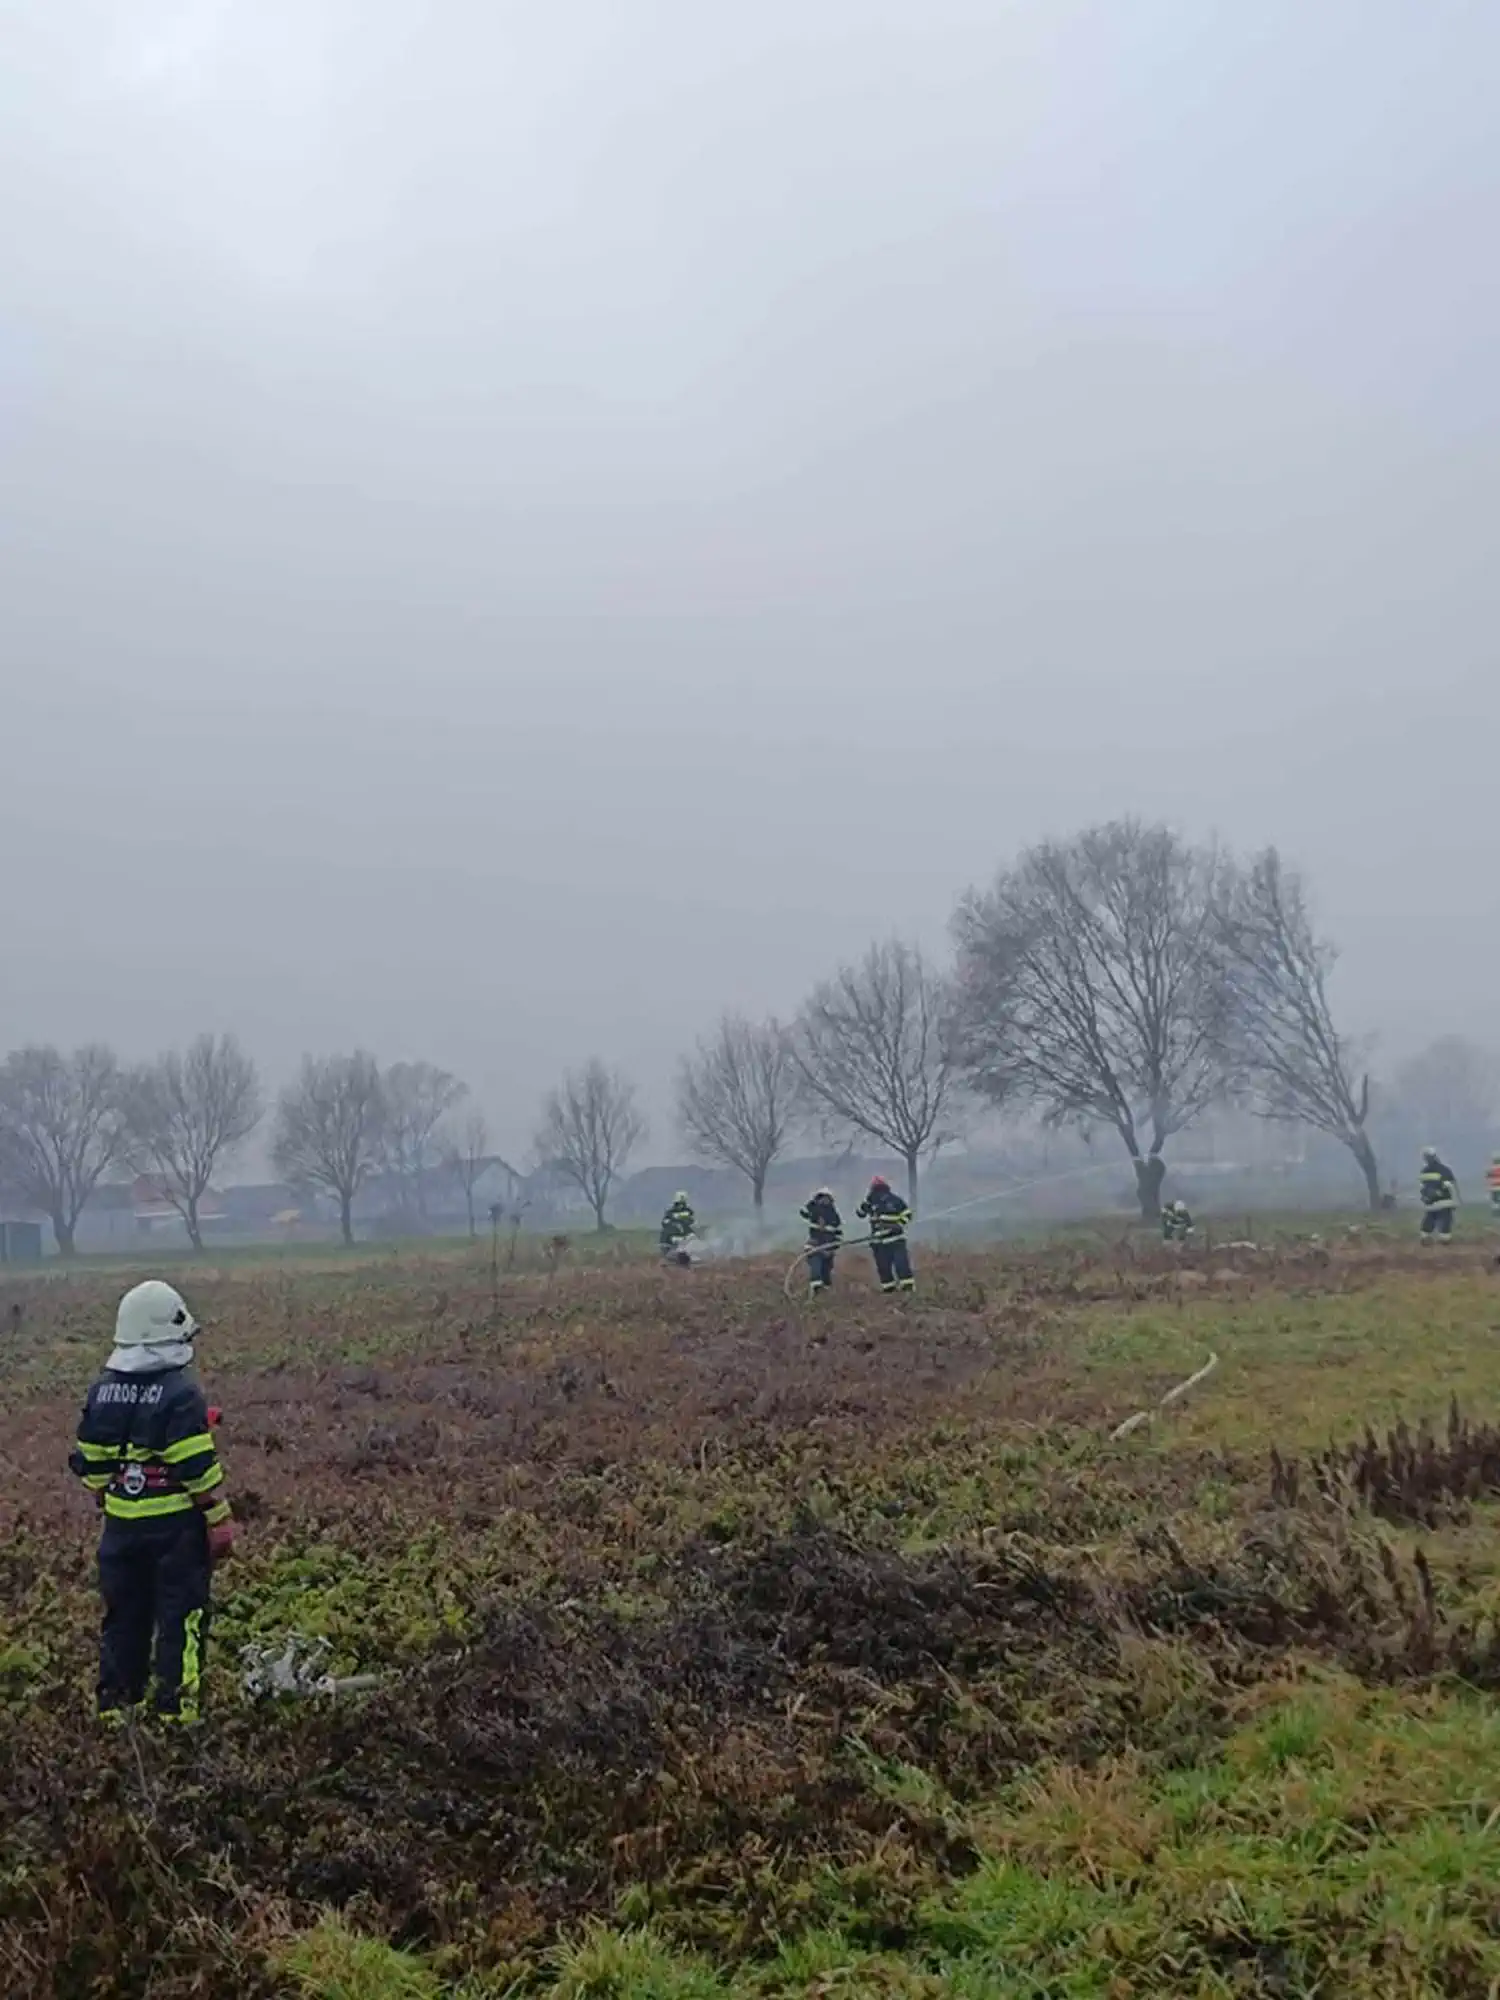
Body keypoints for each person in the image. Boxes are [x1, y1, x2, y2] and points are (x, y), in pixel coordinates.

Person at [68, 1281, 236, 1724]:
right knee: (181, 1619)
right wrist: (219, 1518)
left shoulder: (102, 1391)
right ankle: (175, 1714)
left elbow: (92, 1466)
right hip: (176, 1533)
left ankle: (115, 1711)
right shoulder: (180, 1392)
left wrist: (113, 1497)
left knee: (124, 1618)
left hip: (121, 1533)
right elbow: (196, 1466)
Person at [857, 1175, 915, 1293]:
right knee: (884, 1267)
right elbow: (860, 1214)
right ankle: (889, 1289)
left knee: (901, 1264)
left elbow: (908, 1214)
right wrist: (864, 1204)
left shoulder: (895, 1200)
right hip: (878, 1242)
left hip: (896, 1239)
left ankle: (907, 1288)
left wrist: (898, 1224)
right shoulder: (870, 1202)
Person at [799, 1188, 843, 1296]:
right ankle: (815, 1291)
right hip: (814, 1246)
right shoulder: (813, 1210)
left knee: (826, 1270)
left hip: (828, 1247)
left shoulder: (834, 1215)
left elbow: (838, 1233)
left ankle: (825, 1291)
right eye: (822, 1198)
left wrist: (834, 1248)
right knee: (816, 1267)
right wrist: (813, 1202)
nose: (825, 1200)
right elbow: (803, 1212)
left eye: (827, 1198)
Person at [1418, 1147, 1459, 1243]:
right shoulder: (1444, 1170)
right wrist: (1455, 1201)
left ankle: (1427, 1237)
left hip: (1435, 1202)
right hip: (1443, 1201)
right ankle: (1443, 1239)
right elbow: (1450, 1186)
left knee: (1430, 1219)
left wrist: (1426, 1197)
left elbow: (1422, 1188)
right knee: (1442, 1220)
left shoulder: (1425, 1171)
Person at [659, 1191, 697, 1260]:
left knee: (692, 1238)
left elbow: (691, 1221)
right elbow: (665, 1223)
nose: (681, 1206)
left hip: (684, 1236)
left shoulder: (688, 1212)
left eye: (683, 1204)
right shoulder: (670, 1212)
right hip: (672, 1237)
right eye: (679, 1204)